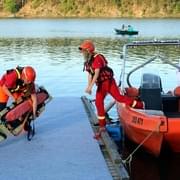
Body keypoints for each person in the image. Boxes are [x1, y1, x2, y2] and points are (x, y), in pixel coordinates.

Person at [79, 40, 144, 139]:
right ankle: (102, 126)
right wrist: (88, 86)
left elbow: (96, 73)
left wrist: (91, 86)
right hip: (101, 83)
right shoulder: (88, 61)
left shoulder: (97, 58)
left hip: (108, 82)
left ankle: (140, 104)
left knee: (118, 98)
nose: (81, 52)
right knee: (99, 102)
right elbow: (90, 74)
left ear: (88, 50)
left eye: (83, 50)